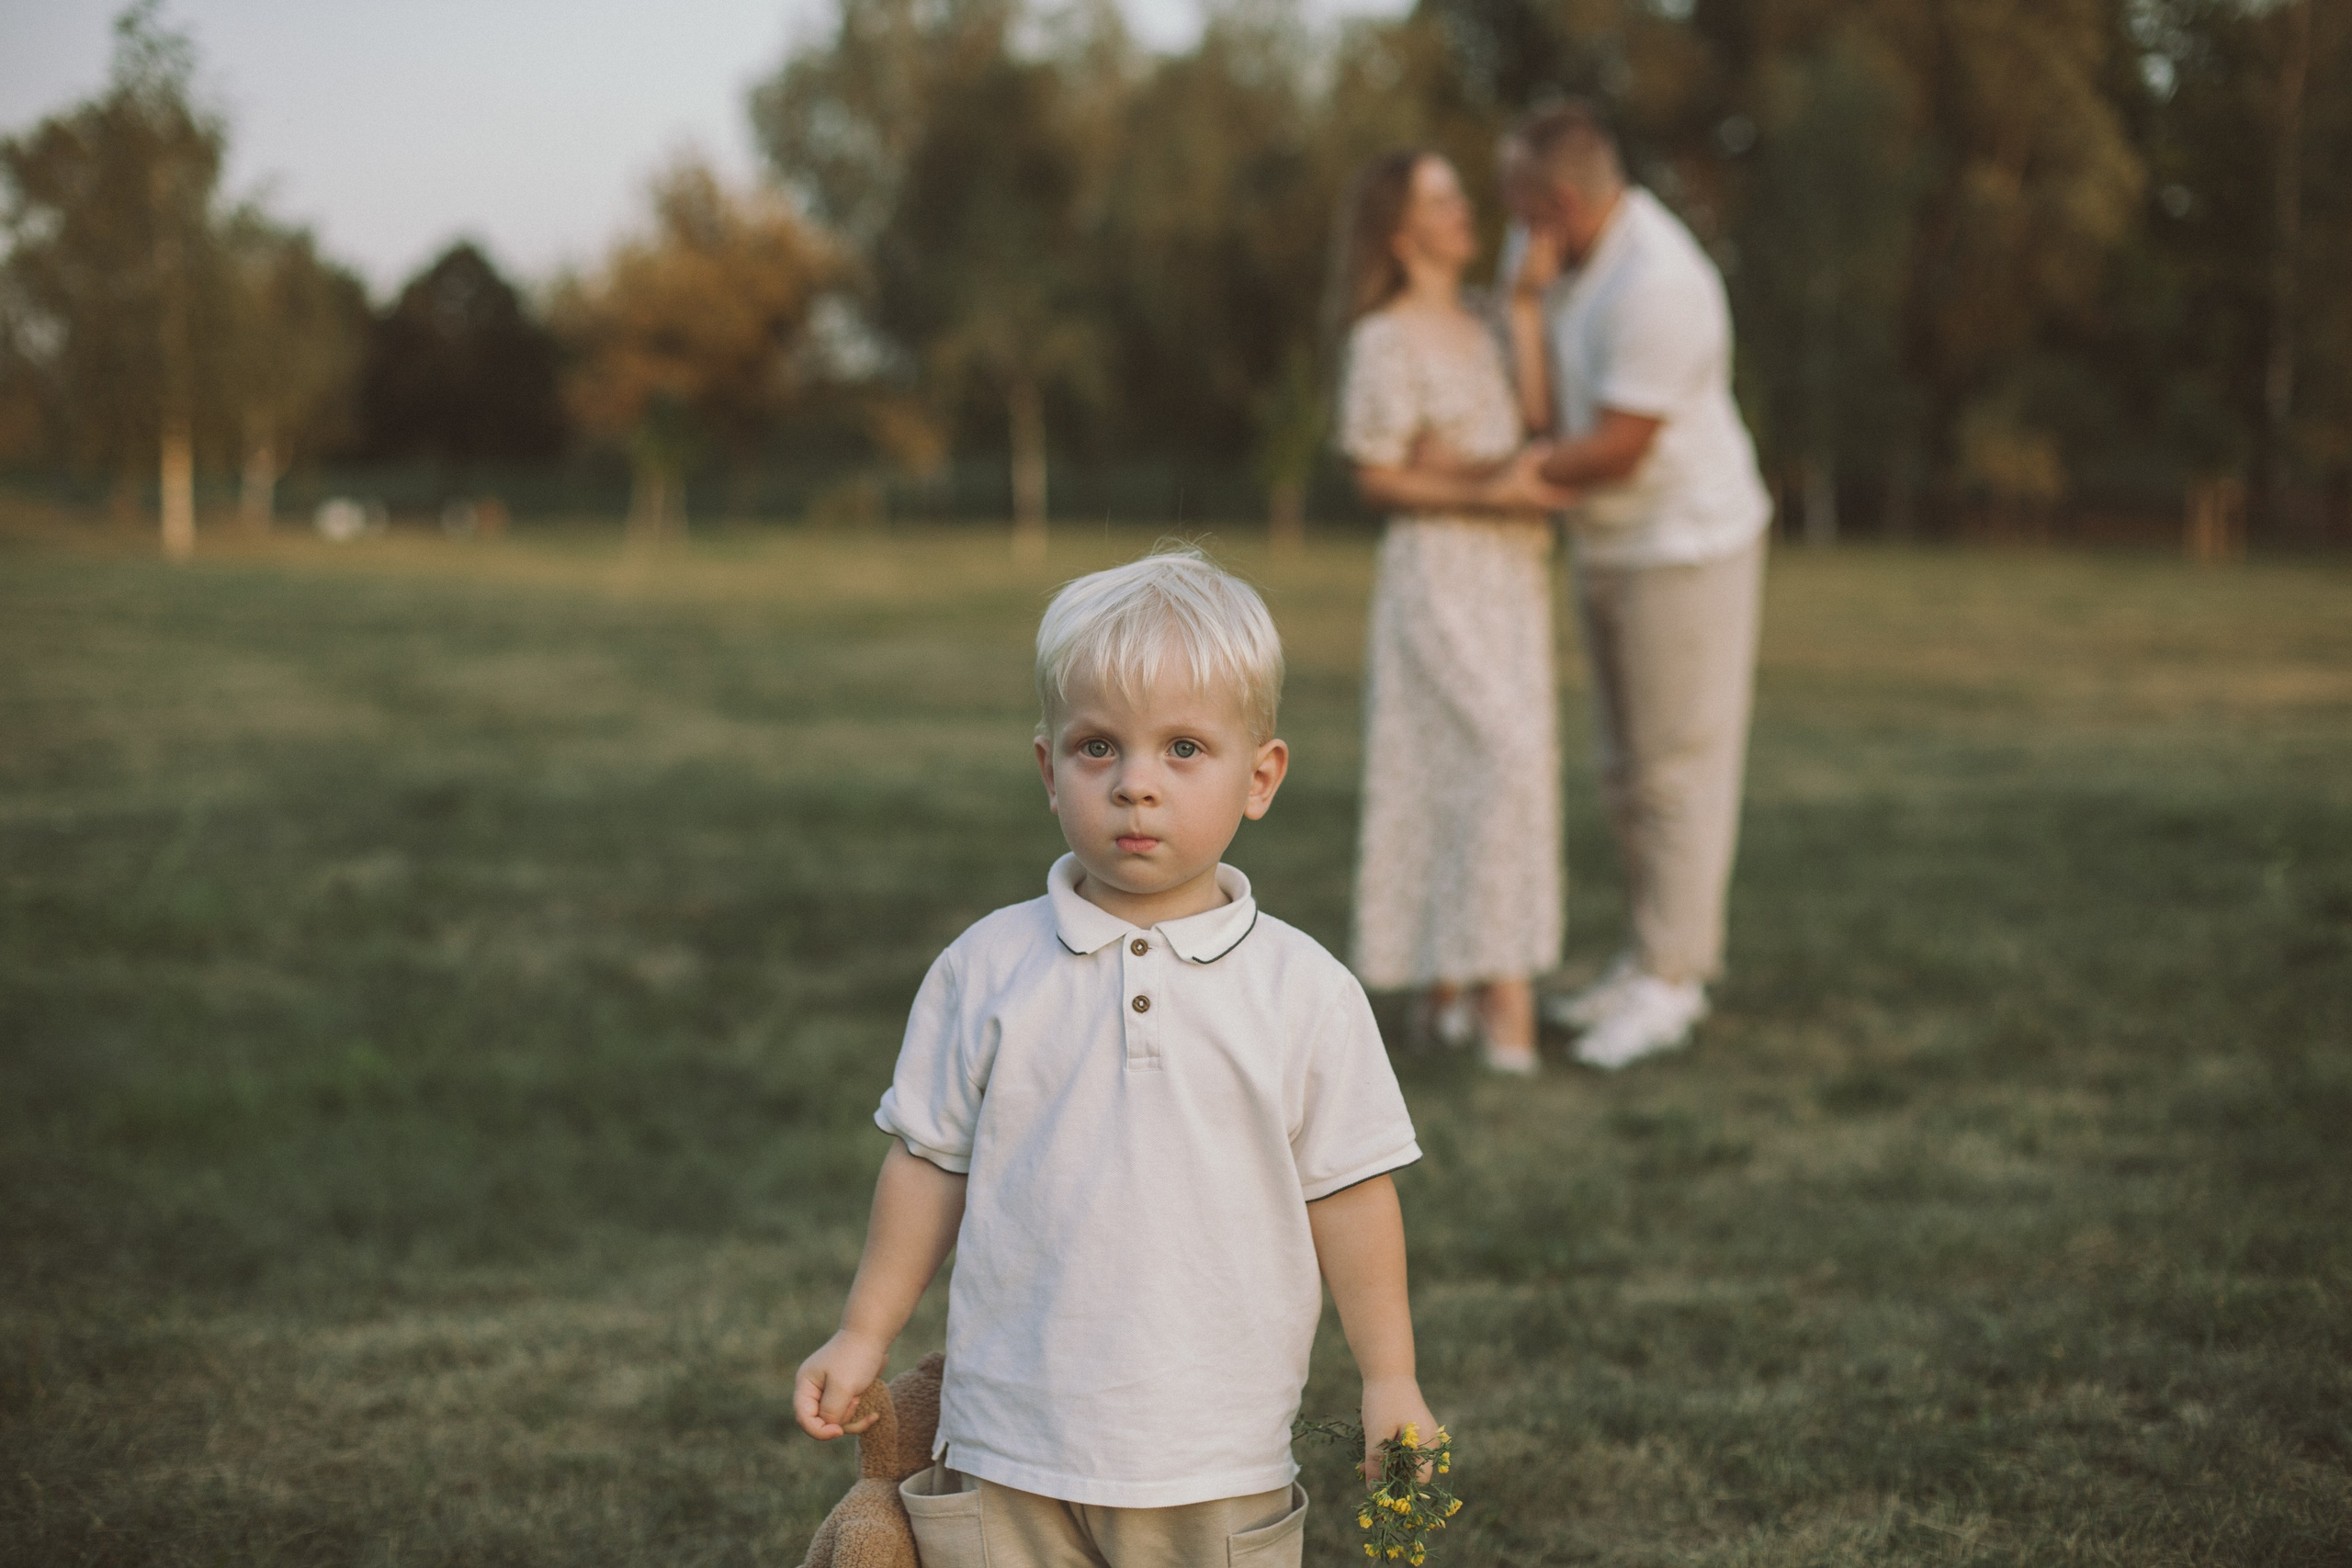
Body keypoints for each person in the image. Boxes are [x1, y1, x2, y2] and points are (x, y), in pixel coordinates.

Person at [792, 547, 1433, 1568]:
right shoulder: (986, 968)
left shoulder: (1303, 990)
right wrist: (863, 1334)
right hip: (1009, 1445)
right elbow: (926, 1165)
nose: (1137, 785)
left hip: (1214, 1462)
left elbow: (1350, 1194)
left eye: (1184, 748)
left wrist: (1388, 1377)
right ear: (1049, 770)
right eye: (1099, 748)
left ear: (1259, 777)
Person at [1499, 101, 1773, 1070]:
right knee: (1622, 770)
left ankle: (1674, 980)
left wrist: (1510, 482)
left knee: (1677, 770)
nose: (1509, 220)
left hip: (1683, 546)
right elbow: (1539, 410)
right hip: (1609, 545)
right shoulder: (1543, 261)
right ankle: (1643, 954)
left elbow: (1616, 446)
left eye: (1521, 204)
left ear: (1564, 201)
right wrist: (1524, 307)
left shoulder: (1662, 283)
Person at [1333, 148, 1578, 1077]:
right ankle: (1500, 1000)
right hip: (1436, 576)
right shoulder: (1382, 338)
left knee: (1482, 774)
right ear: (1402, 233)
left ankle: (1448, 993)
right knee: (1498, 758)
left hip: (1511, 581)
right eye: (1443, 198)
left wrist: (1521, 303)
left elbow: (1541, 435)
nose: (1464, 208)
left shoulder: (1485, 323)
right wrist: (1480, 485)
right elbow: (1374, 474)